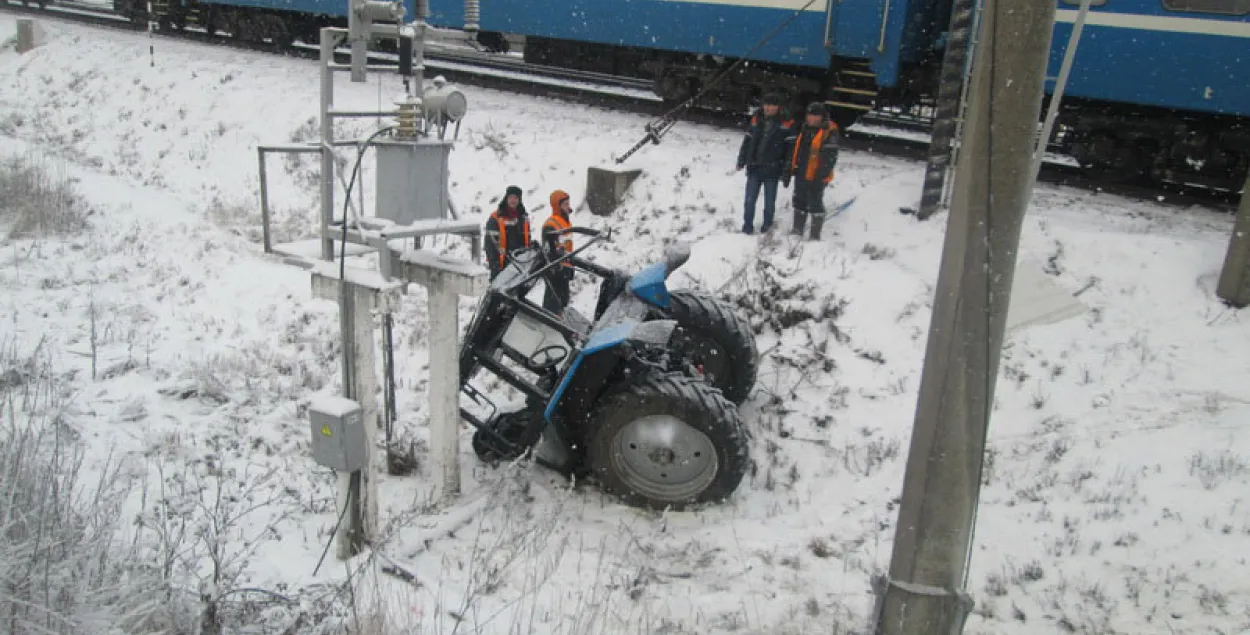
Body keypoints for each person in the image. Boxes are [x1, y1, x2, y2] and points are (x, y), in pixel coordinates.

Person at [736, 93, 797, 234]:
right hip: (754, 167)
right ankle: (747, 227)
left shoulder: (787, 123)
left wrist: (786, 169)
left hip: (772, 169)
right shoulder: (756, 119)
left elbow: (790, 150)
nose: (767, 108)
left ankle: (767, 227)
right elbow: (747, 140)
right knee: (749, 201)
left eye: (771, 105)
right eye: (766, 104)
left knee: (769, 203)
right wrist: (742, 159)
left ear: (777, 107)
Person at [784, 102, 840, 241]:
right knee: (799, 200)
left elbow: (829, 158)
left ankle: (815, 236)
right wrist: (790, 169)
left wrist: (820, 177)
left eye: (816, 116)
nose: (812, 119)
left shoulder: (829, 131)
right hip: (802, 171)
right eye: (810, 115)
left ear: (822, 117)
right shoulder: (804, 129)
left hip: (817, 175)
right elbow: (795, 151)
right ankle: (797, 231)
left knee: (815, 202)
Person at [483, 185, 532, 280]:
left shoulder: (523, 218)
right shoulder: (495, 218)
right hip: (501, 265)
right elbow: (489, 245)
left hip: (519, 265)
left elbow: (527, 240)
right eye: (510, 197)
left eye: (516, 198)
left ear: (519, 200)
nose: (513, 200)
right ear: (506, 198)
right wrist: (495, 265)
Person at [541, 189, 576, 314]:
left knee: (563, 302)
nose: (568, 207)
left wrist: (571, 266)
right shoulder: (551, 224)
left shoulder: (566, 223)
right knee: (553, 304)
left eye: (568, 203)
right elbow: (548, 250)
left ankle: (558, 325)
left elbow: (568, 247)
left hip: (564, 269)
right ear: (558, 206)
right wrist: (556, 268)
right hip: (555, 271)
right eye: (565, 204)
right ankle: (549, 326)